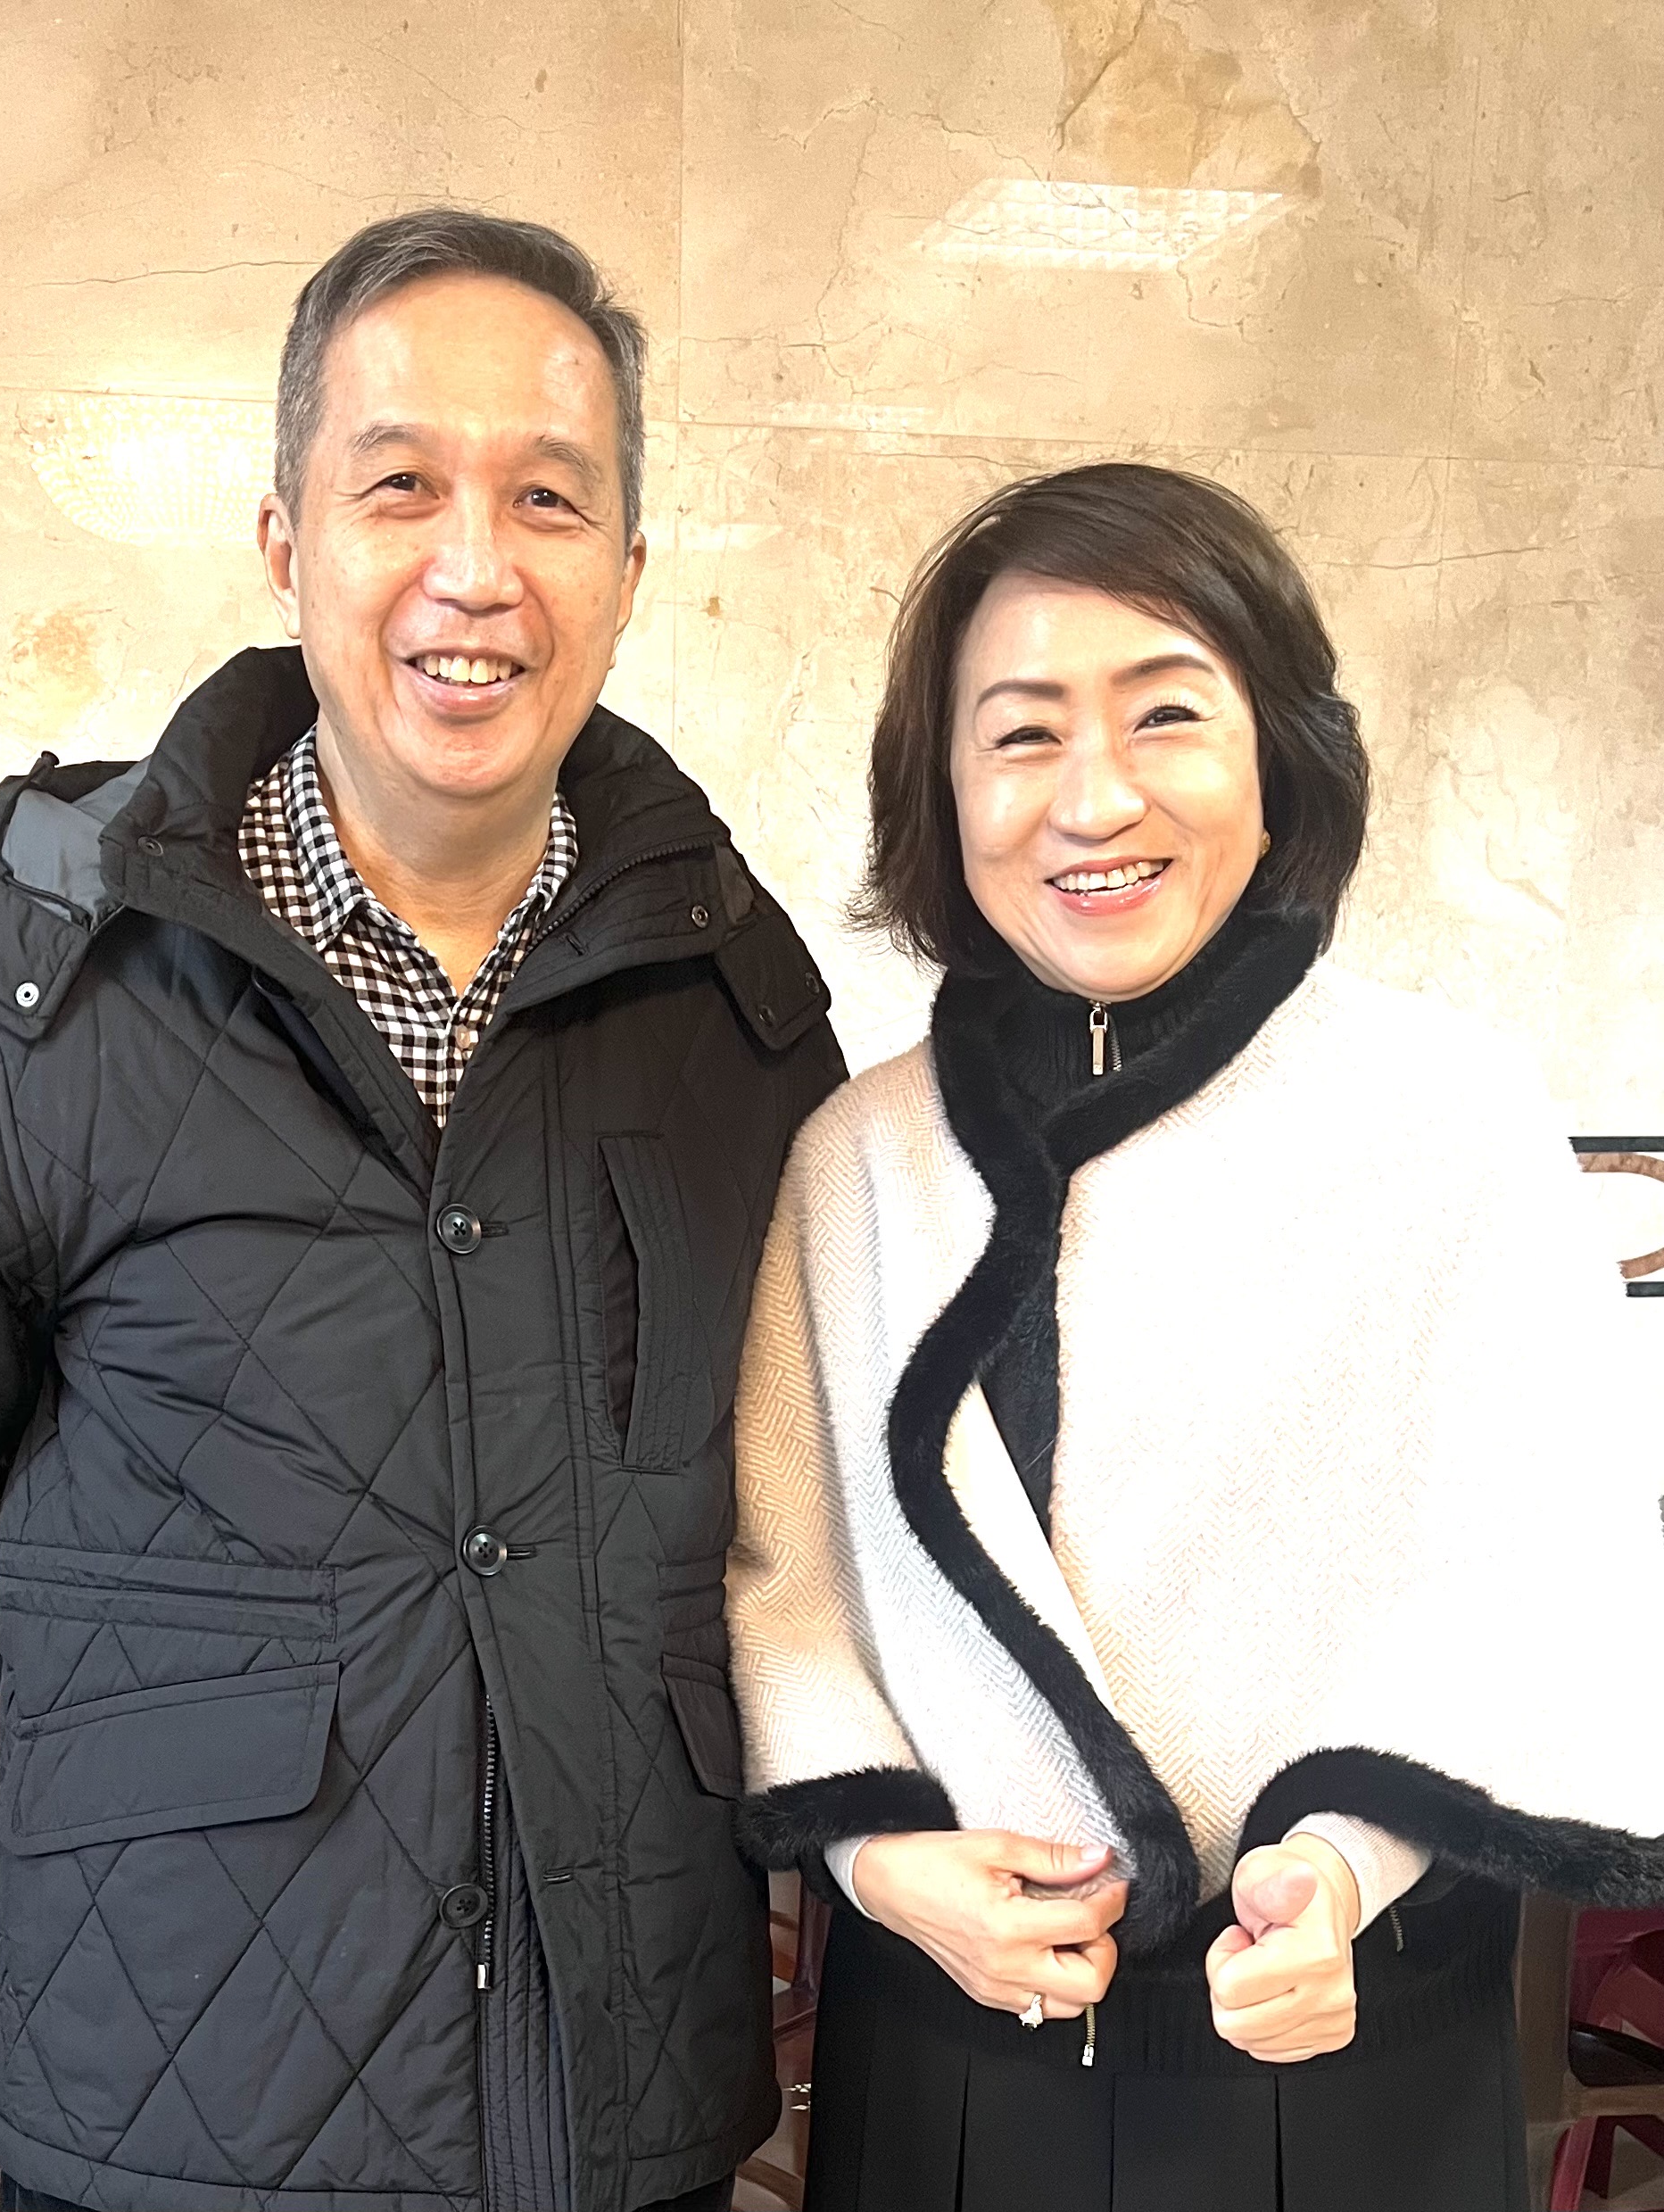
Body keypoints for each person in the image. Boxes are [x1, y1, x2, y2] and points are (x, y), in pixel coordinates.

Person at [0, 208, 843, 2212]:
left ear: (628, 575)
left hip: (619, 2088)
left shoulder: (730, 995)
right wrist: (181, 1681)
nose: (475, 567)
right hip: (181, 2094)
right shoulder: (46, 959)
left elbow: (782, 1483)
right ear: (287, 540)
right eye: (400, 487)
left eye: (548, 498)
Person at [724, 462, 1664, 2212]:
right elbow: (787, 1579)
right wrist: (879, 1862)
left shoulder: (1452, 1120)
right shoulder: (857, 1156)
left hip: (1352, 2041)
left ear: (1278, 752)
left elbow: (1543, 1569)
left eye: (1166, 714)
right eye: (1022, 734)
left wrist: (1349, 1866)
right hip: (947, 2049)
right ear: (942, 787)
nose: (1095, 798)